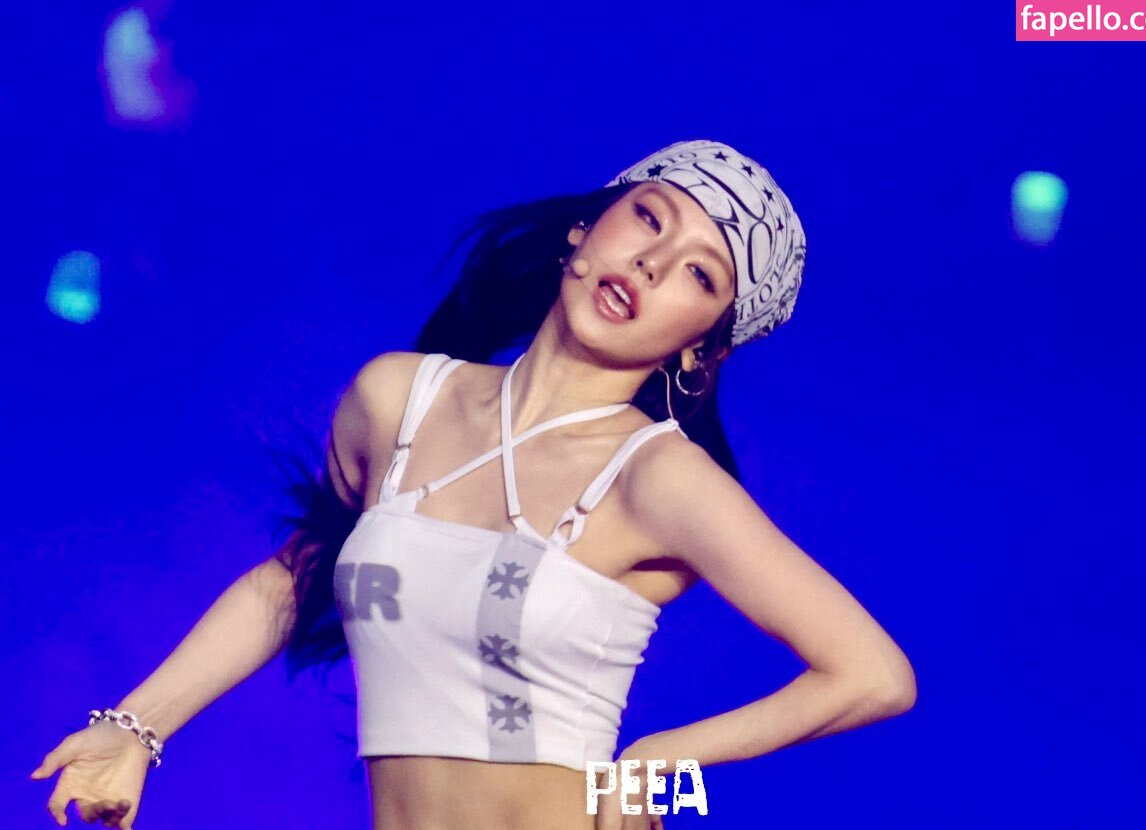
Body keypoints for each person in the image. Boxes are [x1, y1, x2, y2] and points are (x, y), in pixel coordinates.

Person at [30, 139, 917, 830]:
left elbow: (874, 675)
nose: (652, 262)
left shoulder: (659, 477)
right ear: (584, 229)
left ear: (700, 348)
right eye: (649, 218)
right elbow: (297, 576)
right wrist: (136, 727)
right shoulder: (395, 398)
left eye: (698, 273)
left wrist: (658, 766)